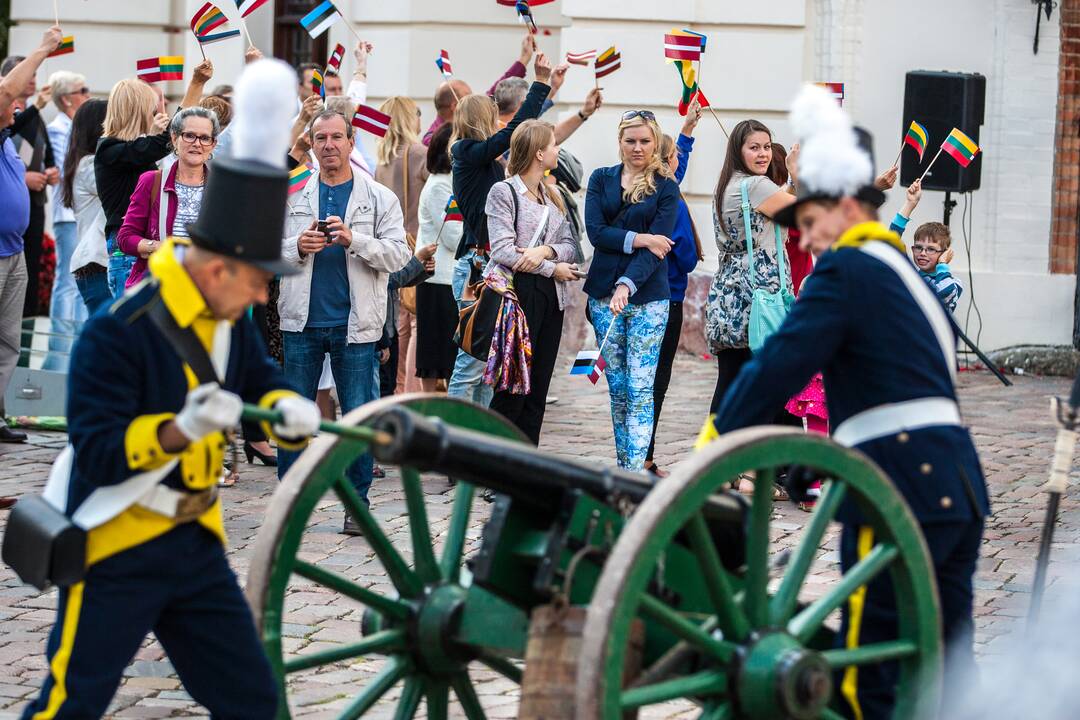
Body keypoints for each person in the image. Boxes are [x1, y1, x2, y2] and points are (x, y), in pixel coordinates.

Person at [19, 58, 322, 719]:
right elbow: (97, 453)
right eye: (256, 278)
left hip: (194, 544)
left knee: (253, 701)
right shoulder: (116, 333)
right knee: (71, 704)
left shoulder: (228, 315)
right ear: (215, 268)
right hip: (116, 543)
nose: (264, 291)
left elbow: (257, 377)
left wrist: (281, 406)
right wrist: (179, 430)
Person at [698, 84, 989, 719]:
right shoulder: (897, 267)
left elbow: (776, 368)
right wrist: (811, 466)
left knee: (874, 674)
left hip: (901, 482)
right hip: (953, 482)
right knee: (944, 665)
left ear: (848, 205)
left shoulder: (849, 268)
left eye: (810, 222)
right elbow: (883, 382)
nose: (807, 238)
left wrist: (709, 450)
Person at [277, 109, 411, 533]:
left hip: (357, 323)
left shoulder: (379, 196)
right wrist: (297, 245)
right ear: (312, 145)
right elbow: (265, 252)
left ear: (352, 143)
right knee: (293, 416)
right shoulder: (293, 193)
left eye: (337, 137)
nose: (329, 145)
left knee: (358, 415)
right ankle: (290, 502)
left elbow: (399, 255)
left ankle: (357, 503)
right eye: (321, 138)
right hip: (301, 320)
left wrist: (355, 240)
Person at [445, 52, 552, 406]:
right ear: (482, 120)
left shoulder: (481, 158)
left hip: (493, 264)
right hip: (477, 268)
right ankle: (454, 440)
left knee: (492, 358)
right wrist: (539, 86)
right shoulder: (466, 152)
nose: (498, 123)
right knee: (471, 360)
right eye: (492, 117)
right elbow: (509, 135)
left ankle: (479, 440)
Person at [582, 110, 679, 471]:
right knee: (618, 388)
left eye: (644, 141)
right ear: (620, 141)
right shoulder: (601, 179)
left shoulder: (665, 187)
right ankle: (625, 467)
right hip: (602, 296)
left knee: (640, 388)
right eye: (630, 140)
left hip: (649, 297)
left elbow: (660, 249)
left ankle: (635, 473)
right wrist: (641, 237)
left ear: (655, 142)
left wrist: (628, 282)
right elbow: (596, 232)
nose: (637, 148)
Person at [483, 120, 579, 443]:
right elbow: (502, 250)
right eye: (553, 144)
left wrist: (544, 251)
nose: (558, 149)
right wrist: (552, 268)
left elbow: (570, 246)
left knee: (538, 388)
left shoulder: (552, 195)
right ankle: (491, 471)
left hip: (552, 297)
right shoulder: (504, 192)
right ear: (539, 153)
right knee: (512, 387)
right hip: (519, 295)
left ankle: (525, 467)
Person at [0, 26, 63, 453]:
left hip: (15, 251)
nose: (18, 103)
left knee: (7, 342)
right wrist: (42, 50)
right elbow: (7, 92)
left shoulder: (8, 136)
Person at [644, 102, 704, 477]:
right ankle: (644, 456)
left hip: (652, 294)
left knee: (644, 378)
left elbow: (678, 162)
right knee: (655, 380)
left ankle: (641, 453)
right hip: (669, 295)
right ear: (665, 161)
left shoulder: (651, 189)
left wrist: (687, 130)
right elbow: (684, 254)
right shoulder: (671, 200)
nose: (679, 161)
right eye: (675, 156)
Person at [117, 107, 218, 290]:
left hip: (205, 292)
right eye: (189, 135)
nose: (197, 143)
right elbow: (125, 238)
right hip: (158, 290)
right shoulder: (151, 181)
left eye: (204, 138)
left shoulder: (222, 189)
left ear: (213, 144)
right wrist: (162, 247)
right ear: (174, 138)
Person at [95, 78, 171, 299]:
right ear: (138, 110)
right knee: (129, 326)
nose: (155, 111)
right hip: (126, 247)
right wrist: (195, 84)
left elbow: (152, 148)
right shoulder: (110, 148)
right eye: (151, 106)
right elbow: (161, 144)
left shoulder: (129, 149)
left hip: (147, 242)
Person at [374, 96, 429, 394]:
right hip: (416, 245)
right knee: (417, 322)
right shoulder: (420, 154)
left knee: (398, 324)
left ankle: (397, 389)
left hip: (388, 246)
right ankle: (412, 391)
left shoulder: (381, 159)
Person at [1, 54, 58, 316]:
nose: (33, 79)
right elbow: (12, 133)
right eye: (28, 73)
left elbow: (45, 152)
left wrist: (50, 170)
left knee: (30, 271)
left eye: (35, 74)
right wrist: (23, 178)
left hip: (34, 202)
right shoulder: (12, 119)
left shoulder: (34, 115)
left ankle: (27, 326)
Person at [41, 70, 91, 369]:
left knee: (83, 280)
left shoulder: (77, 127)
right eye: (83, 90)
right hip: (70, 214)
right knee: (67, 280)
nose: (87, 94)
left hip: (82, 215)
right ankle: (60, 352)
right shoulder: (59, 129)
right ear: (67, 98)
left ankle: (76, 350)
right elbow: (65, 174)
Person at [423, 33, 538, 145]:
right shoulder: (433, 140)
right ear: (455, 106)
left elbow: (495, 90)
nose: (475, 99)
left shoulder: (469, 120)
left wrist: (524, 59)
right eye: (468, 96)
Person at [414, 124, 461, 392]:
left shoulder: (452, 181)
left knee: (451, 353)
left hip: (451, 278)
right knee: (434, 353)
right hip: (438, 278)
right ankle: (429, 404)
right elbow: (453, 237)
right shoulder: (439, 187)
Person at [63, 99, 110, 315]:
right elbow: (128, 184)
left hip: (99, 263)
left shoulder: (88, 163)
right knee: (104, 341)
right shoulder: (89, 166)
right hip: (96, 263)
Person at [911, 222, 964, 313]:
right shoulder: (911, 277)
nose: (922, 253)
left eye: (931, 249)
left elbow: (945, 293)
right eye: (918, 247)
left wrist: (942, 263)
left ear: (944, 253)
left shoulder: (954, 283)